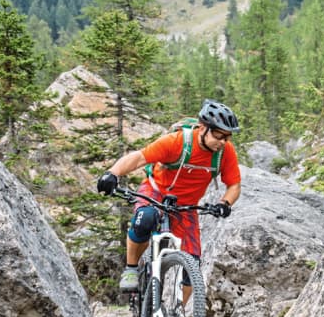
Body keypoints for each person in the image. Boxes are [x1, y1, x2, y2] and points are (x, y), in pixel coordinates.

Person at [96, 99, 242, 293]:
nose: (223, 141)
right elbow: (139, 158)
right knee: (145, 220)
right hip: (156, 191)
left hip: (186, 205)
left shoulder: (225, 152)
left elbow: (234, 185)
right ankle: (131, 268)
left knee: (192, 267)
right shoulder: (177, 142)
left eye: (227, 137)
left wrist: (225, 203)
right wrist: (112, 174)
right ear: (202, 128)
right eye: (218, 134)